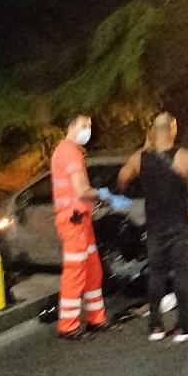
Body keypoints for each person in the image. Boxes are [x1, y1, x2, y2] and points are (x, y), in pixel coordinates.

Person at [118, 112, 188, 342]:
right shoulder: (187, 157)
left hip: (155, 226)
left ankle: (155, 326)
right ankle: (184, 326)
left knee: (156, 275)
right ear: (173, 129)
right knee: (183, 274)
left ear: (154, 131)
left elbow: (122, 179)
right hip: (179, 224)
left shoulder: (140, 158)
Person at [51, 114, 130, 339]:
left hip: (80, 220)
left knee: (93, 271)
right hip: (73, 220)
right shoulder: (68, 152)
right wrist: (106, 196)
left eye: (90, 126)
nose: (89, 130)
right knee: (75, 272)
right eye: (85, 126)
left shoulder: (70, 151)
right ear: (72, 126)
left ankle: (96, 319)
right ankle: (68, 326)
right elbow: (81, 190)